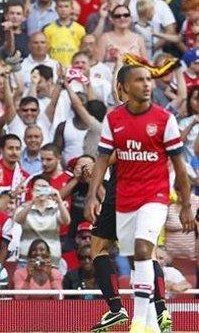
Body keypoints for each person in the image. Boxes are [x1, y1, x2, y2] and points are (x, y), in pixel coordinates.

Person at [85, 65, 195, 333]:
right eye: (139, 80)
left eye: (149, 80)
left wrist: (186, 204)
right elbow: (104, 156)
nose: (147, 84)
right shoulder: (116, 119)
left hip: (149, 194)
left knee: (135, 251)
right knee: (140, 255)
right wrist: (91, 191)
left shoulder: (160, 119)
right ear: (125, 86)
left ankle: (125, 313)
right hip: (121, 195)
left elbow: (178, 165)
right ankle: (158, 312)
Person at [14, 175, 71, 267]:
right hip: (27, 259)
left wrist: (59, 200)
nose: (41, 190)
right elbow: (18, 220)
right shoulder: (24, 207)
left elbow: (66, 221)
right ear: (32, 190)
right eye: (38, 187)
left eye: (44, 187)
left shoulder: (55, 207)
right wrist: (32, 202)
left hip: (51, 259)